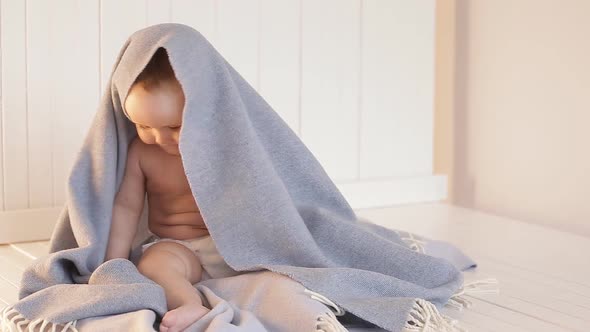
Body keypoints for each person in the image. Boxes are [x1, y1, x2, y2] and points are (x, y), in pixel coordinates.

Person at [104, 47, 241, 332]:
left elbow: (265, 194)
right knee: (153, 265)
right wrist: (114, 264)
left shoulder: (225, 145)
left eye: (175, 126)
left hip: (235, 247)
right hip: (179, 248)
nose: (159, 138)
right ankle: (189, 303)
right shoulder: (141, 152)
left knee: (284, 276)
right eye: (143, 125)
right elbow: (127, 207)